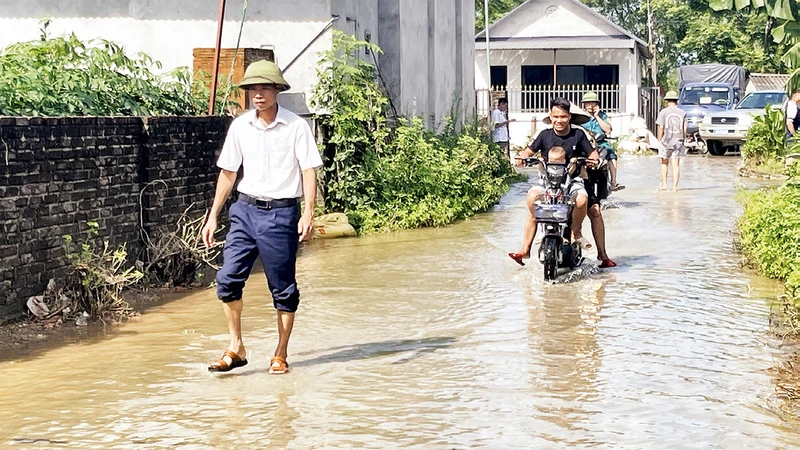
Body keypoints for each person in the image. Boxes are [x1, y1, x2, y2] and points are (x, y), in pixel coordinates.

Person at [201, 60, 323, 375]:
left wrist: (308, 212)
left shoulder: (296, 126)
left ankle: (280, 353)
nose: (258, 94)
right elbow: (228, 172)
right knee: (227, 280)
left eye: (265, 88)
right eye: (253, 89)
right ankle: (236, 346)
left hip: (282, 214)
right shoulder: (240, 126)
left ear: (277, 91)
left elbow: (308, 170)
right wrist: (213, 215)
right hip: (244, 211)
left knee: (283, 288)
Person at [509, 98, 617, 268]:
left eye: (563, 117)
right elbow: (526, 152)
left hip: (575, 180)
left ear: (569, 117)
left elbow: (593, 154)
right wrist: (521, 160)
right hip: (547, 182)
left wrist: (591, 161)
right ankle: (525, 249)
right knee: (531, 198)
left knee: (592, 208)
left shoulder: (579, 133)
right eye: (555, 116)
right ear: (550, 116)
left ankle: (593, 247)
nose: (559, 120)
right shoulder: (543, 134)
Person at [581, 91, 623, 191]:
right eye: (588, 103)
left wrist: (597, 116)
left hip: (601, 143)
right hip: (586, 143)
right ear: (584, 105)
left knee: (611, 154)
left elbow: (608, 130)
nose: (590, 106)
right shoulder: (581, 117)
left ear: (597, 104)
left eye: (593, 103)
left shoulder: (603, 116)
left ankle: (613, 182)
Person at [656, 90, 686, 191]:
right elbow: (684, 128)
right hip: (678, 141)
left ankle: (664, 185)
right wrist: (683, 139)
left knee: (664, 163)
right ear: (676, 101)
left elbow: (661, 127)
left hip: (666, 142)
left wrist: (659, 140)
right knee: (676, 165)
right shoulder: (682, 113)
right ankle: (674, 187)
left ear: (667, 101)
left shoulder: (663, 112)